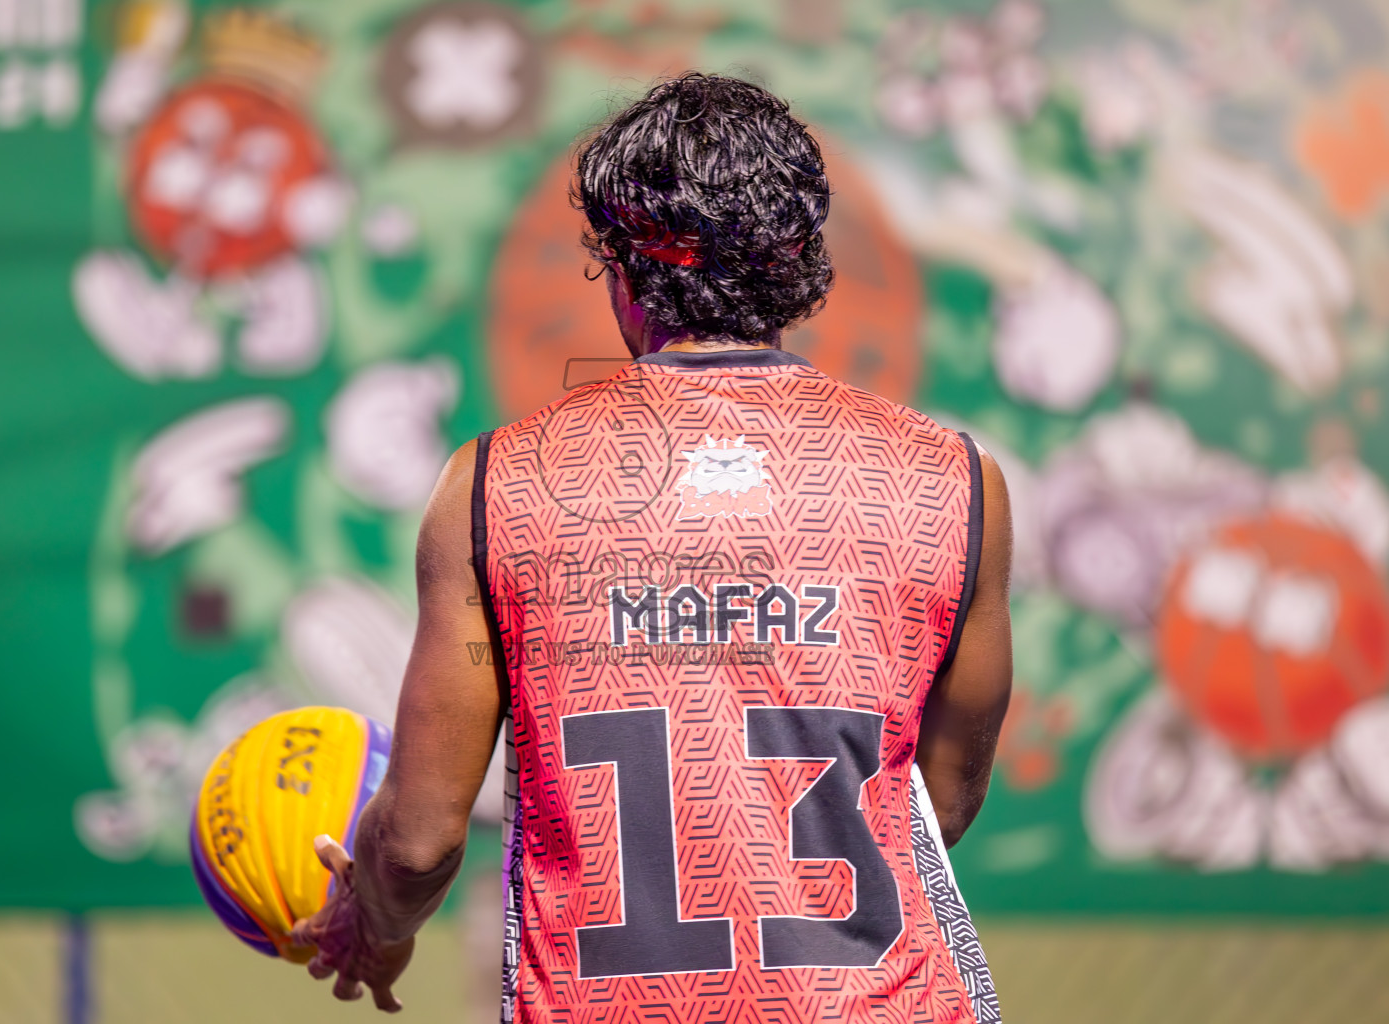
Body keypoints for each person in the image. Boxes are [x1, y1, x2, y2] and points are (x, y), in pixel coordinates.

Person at [291, 72, 1013, 1024]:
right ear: (800, 258)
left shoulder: (499, 485)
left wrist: (374, 922)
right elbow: (939, 805)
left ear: (622, 269)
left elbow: (420, 840)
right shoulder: (954, 481)